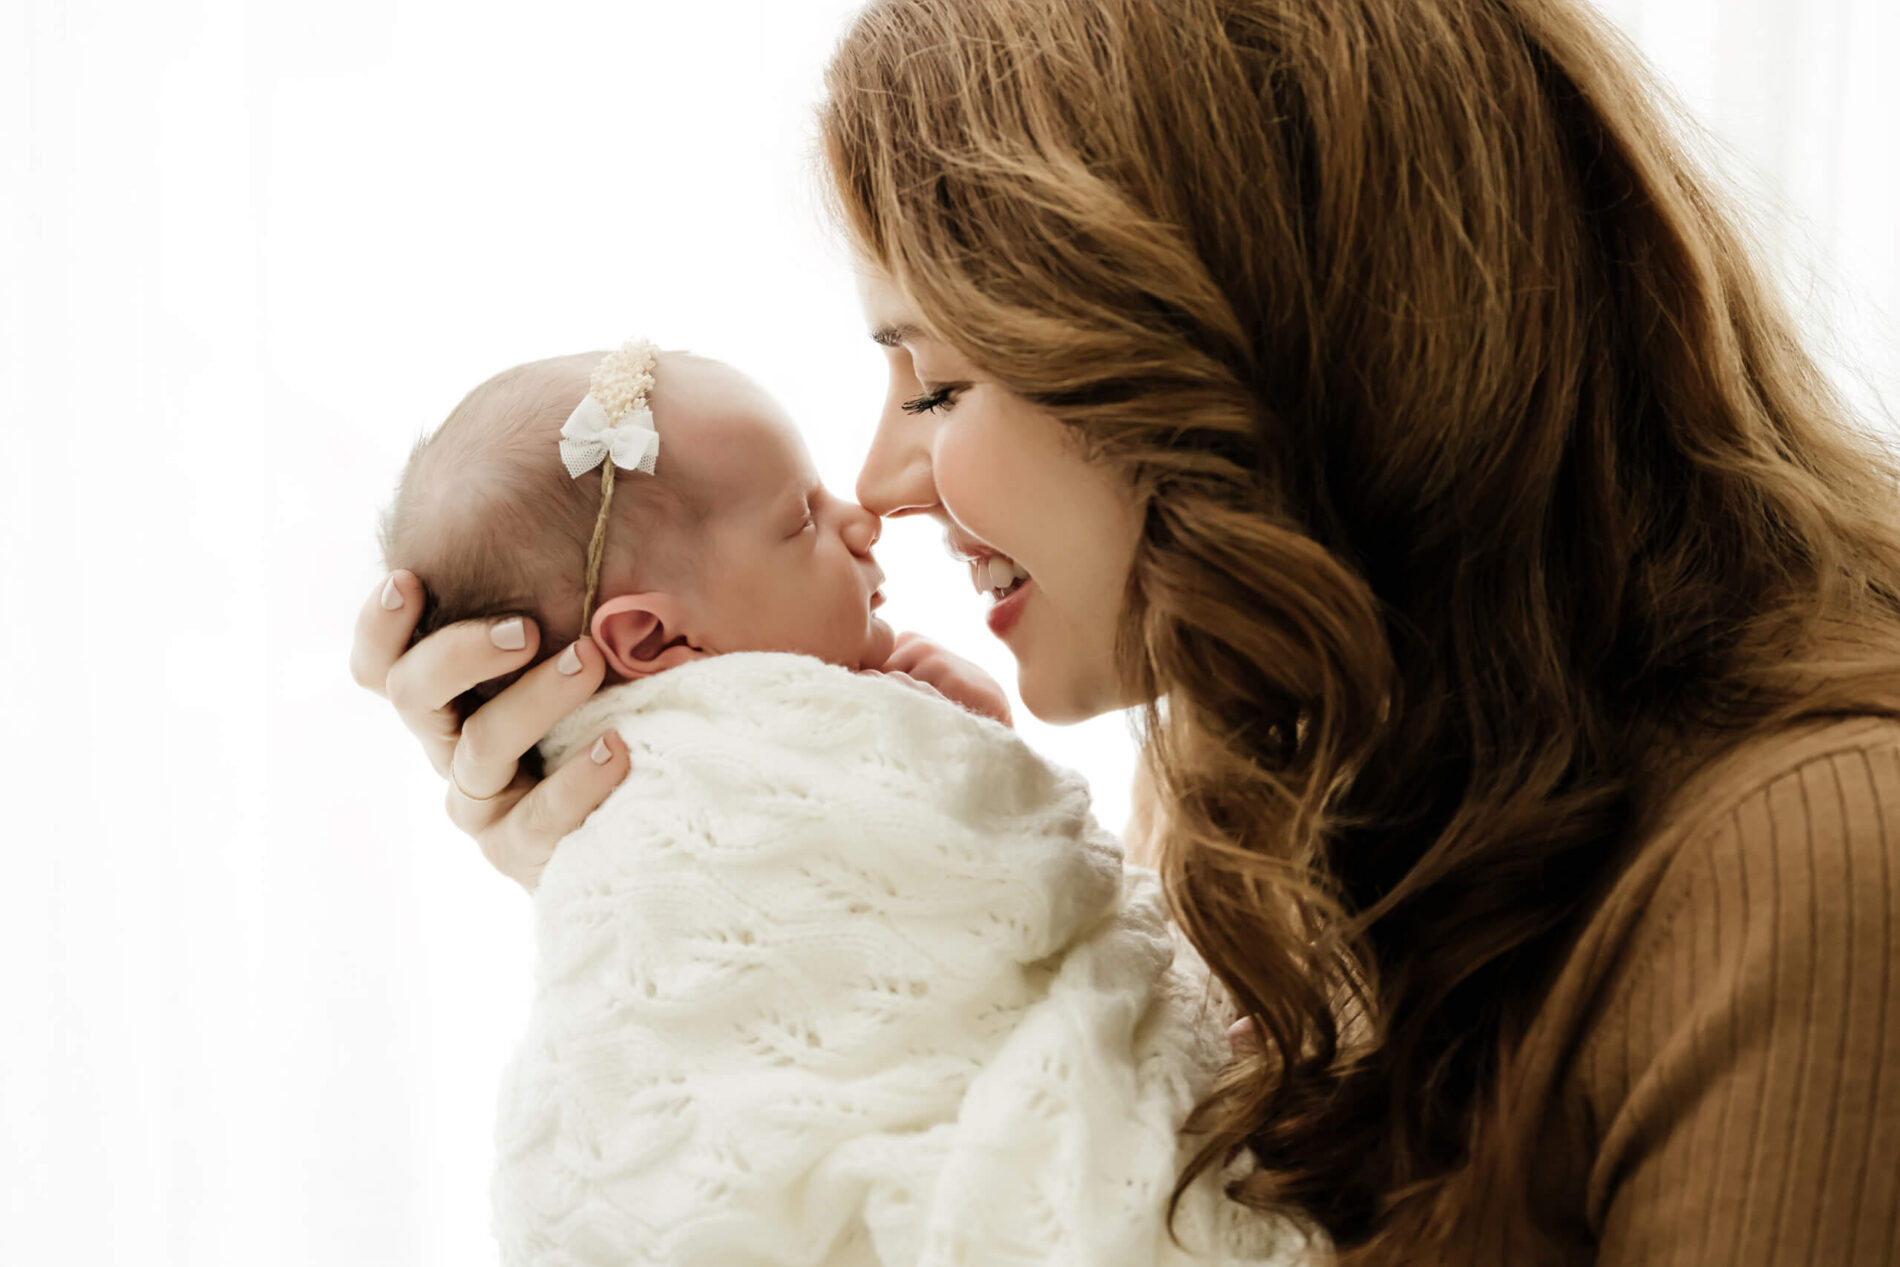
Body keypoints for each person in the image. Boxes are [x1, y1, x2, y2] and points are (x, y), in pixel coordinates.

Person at [353, 0, 1900, 1261]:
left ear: (1244, 356)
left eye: (940, 381)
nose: (884, 483)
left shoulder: (1813, 875)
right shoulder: (1285, 812)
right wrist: (681, 827)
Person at [383, 341, 1296, 1262]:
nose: (866, 503)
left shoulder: (818, 727)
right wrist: (975, 761)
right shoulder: (664, 783)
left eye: (940, 388)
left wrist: (970, 754)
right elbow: (997, 905)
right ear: (654, 636)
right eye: (801, 519)